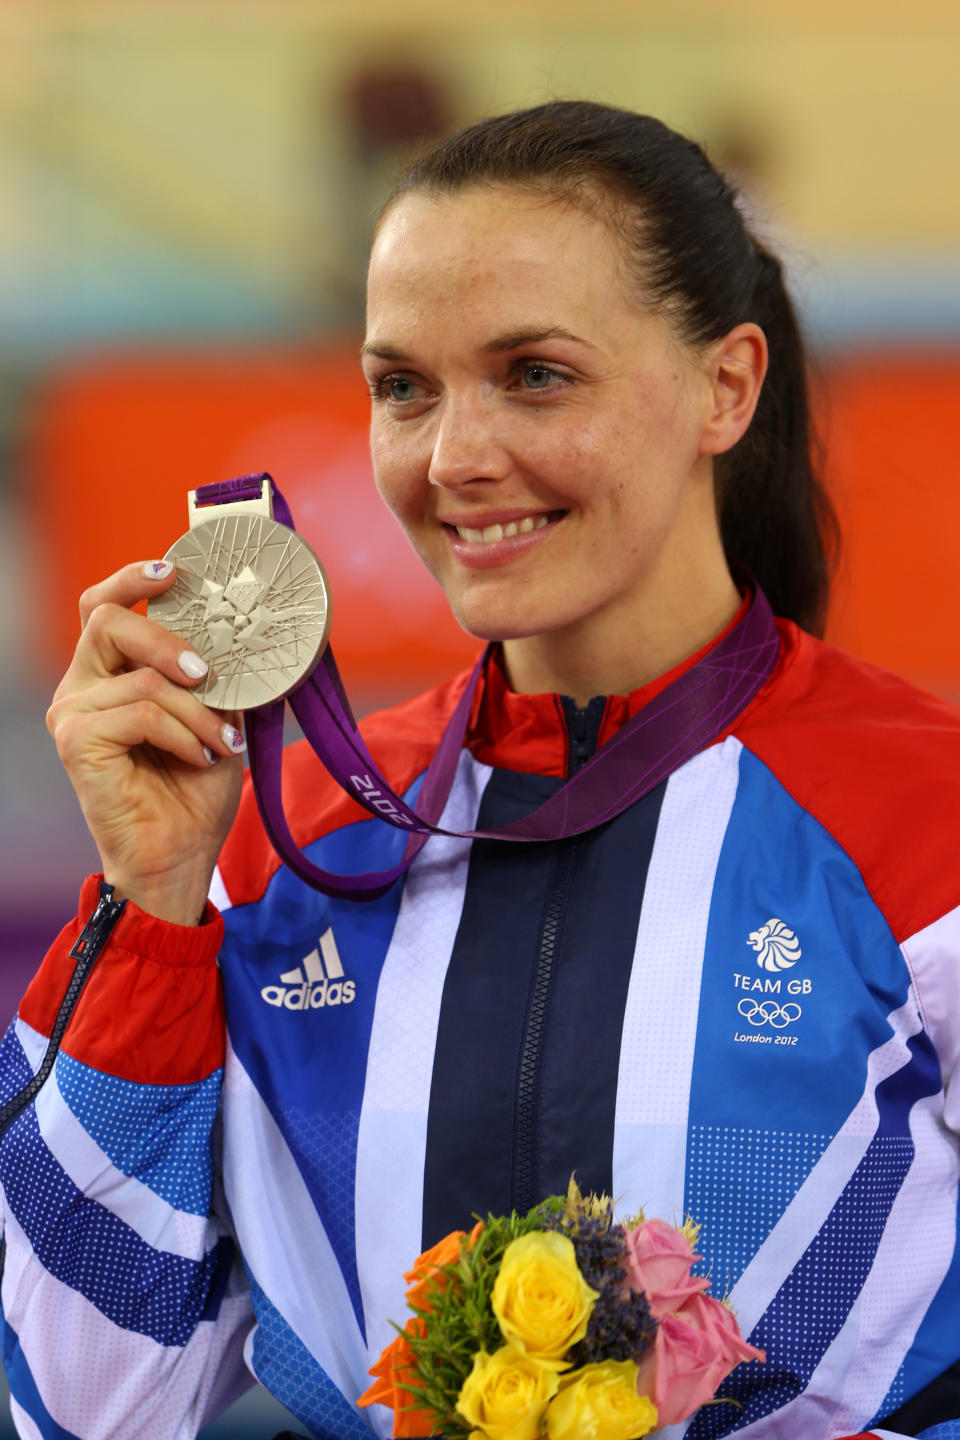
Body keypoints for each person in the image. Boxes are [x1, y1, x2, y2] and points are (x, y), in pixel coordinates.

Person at [2, 99, 959, 1440]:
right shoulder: (279, 839)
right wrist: (149, 899)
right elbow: (80, 1407)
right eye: (403, 387)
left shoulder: (930, 820)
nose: (454, 458)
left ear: (726, 387)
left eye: (537, 375)